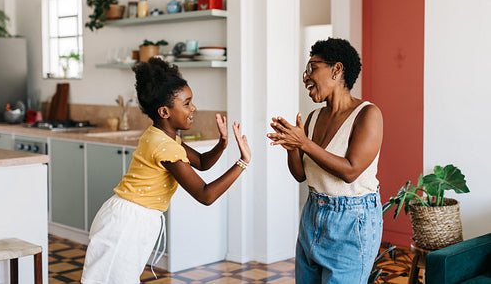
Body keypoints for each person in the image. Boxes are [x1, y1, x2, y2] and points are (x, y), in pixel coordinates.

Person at [81, 57, 251, 284]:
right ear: (164, 111)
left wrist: (222, 143)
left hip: (132, 219)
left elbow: (201, 162)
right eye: (187, 103)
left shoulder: (162, 136)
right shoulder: (164, 146)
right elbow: (205, 195)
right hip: (126, 223)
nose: (194, 108)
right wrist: (243, 162)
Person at [267, 38, 383, 284]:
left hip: (353, 221)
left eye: (312, 68)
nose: (305, 77)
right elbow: (301, 174)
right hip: (313, 214)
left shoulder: (368, 114)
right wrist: (291, 147)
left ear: (337, 69)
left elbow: (351, 171)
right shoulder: (313, 117)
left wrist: (304, 144)